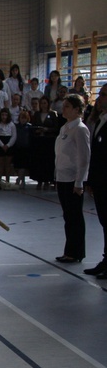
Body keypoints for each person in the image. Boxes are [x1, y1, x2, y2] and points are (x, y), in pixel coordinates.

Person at [54, 94, 90, 264]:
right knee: (68, 217)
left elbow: (84, 158)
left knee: (75, 217)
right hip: (62, 177)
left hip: (72, 179)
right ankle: (69, 250)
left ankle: (76, 252)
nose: (64, 108)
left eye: (68, 106)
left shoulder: (80, 129)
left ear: (77, 110)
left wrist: (79, 182)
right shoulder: (65, 128)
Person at [84, 85, 107, 277]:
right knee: (104, 222)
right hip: (100, 181)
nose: (99, 99)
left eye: (104, 95)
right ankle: (106, 259)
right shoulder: (100, 120)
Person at [0, 107, 17, 189]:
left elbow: (14, 136)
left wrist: (8, 145)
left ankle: (7, 182)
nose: (4, 117)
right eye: (2, 115)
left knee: (7, 165)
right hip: (0, 144)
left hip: (8, 143)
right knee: (0, 164)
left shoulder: (11, 124)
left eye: (5, 115)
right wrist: (2, 145)